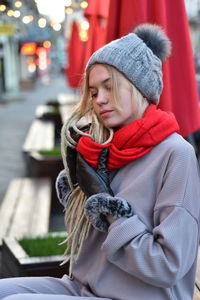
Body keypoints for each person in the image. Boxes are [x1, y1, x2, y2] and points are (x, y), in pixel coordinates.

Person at [0, 23, 200, 300]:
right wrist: (76, 193)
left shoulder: (176, 154)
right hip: (84, 286)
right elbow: (85, 247)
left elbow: (166, 266)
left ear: (139, 87)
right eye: (93, 92)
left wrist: (108, 206)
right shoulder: (102, 147)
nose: (100, 100)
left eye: (109, 87)